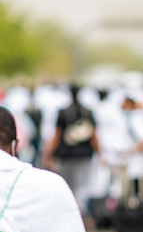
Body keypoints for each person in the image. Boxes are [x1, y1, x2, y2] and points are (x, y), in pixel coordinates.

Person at [43, 84, 100, 217]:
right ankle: (80, 212)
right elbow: (94, 135)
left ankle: (69, 213)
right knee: (82, 185)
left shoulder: (63, 113)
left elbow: (57, 135)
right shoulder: (88, 112)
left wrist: (49, 153)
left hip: (66, 154)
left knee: (68, 185)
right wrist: (99, 152)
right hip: (85, 154)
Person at [120, 96, 143, 202]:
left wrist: (137, 147)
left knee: (142, 175)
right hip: (136, 155)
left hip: (142, 155)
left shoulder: (137, 118)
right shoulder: (129, 117)